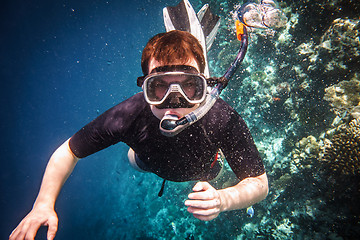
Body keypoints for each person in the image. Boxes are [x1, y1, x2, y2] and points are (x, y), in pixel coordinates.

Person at [9, 29, 268, 240]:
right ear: (145, 87)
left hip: (207, 167)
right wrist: (42, 203)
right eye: (158, 88)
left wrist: (222, 199)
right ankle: (137, 152)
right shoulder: (128, 116)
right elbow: (68, 151)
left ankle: (210, 161)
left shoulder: (221, 117)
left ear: (204, 84)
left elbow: (259, 184)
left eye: (189, 86)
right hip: (148, 161)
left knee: (213, 172)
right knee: (135, 160)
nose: (174, 102)